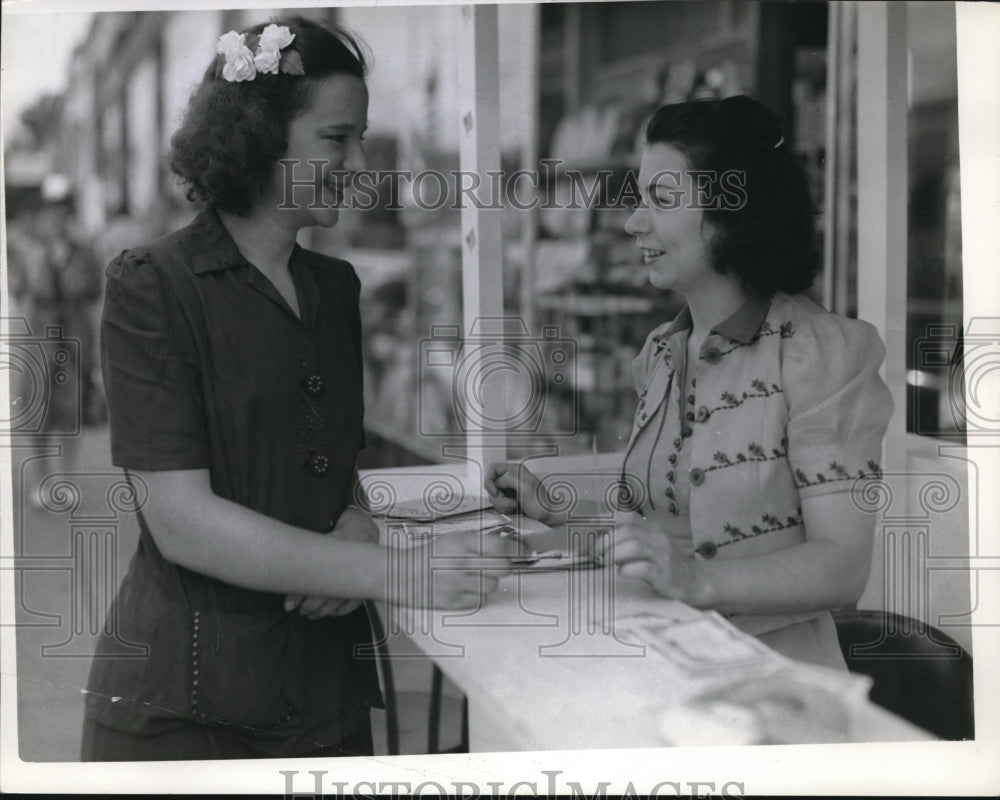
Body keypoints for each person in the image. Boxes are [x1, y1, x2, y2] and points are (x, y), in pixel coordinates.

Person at [83, 17, 515, 761]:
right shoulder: (154, 286)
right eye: (336, 139)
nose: (360, 162)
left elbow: (327, 464)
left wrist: (356, 521)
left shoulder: (334, 287)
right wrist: (386, 568)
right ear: (258, 138)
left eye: (362, 139)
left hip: (324, 688)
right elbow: (180, 519)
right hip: (189, 706)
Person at [486, 96, 893, 671]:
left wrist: (697, 580)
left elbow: (843, 567)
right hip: (657, 663)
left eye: (662, 198)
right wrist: (557, 503)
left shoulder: (824, 354)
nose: (633, 221)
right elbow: (670, 515)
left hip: (774, 691)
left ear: (733, 210)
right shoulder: (660, 352)